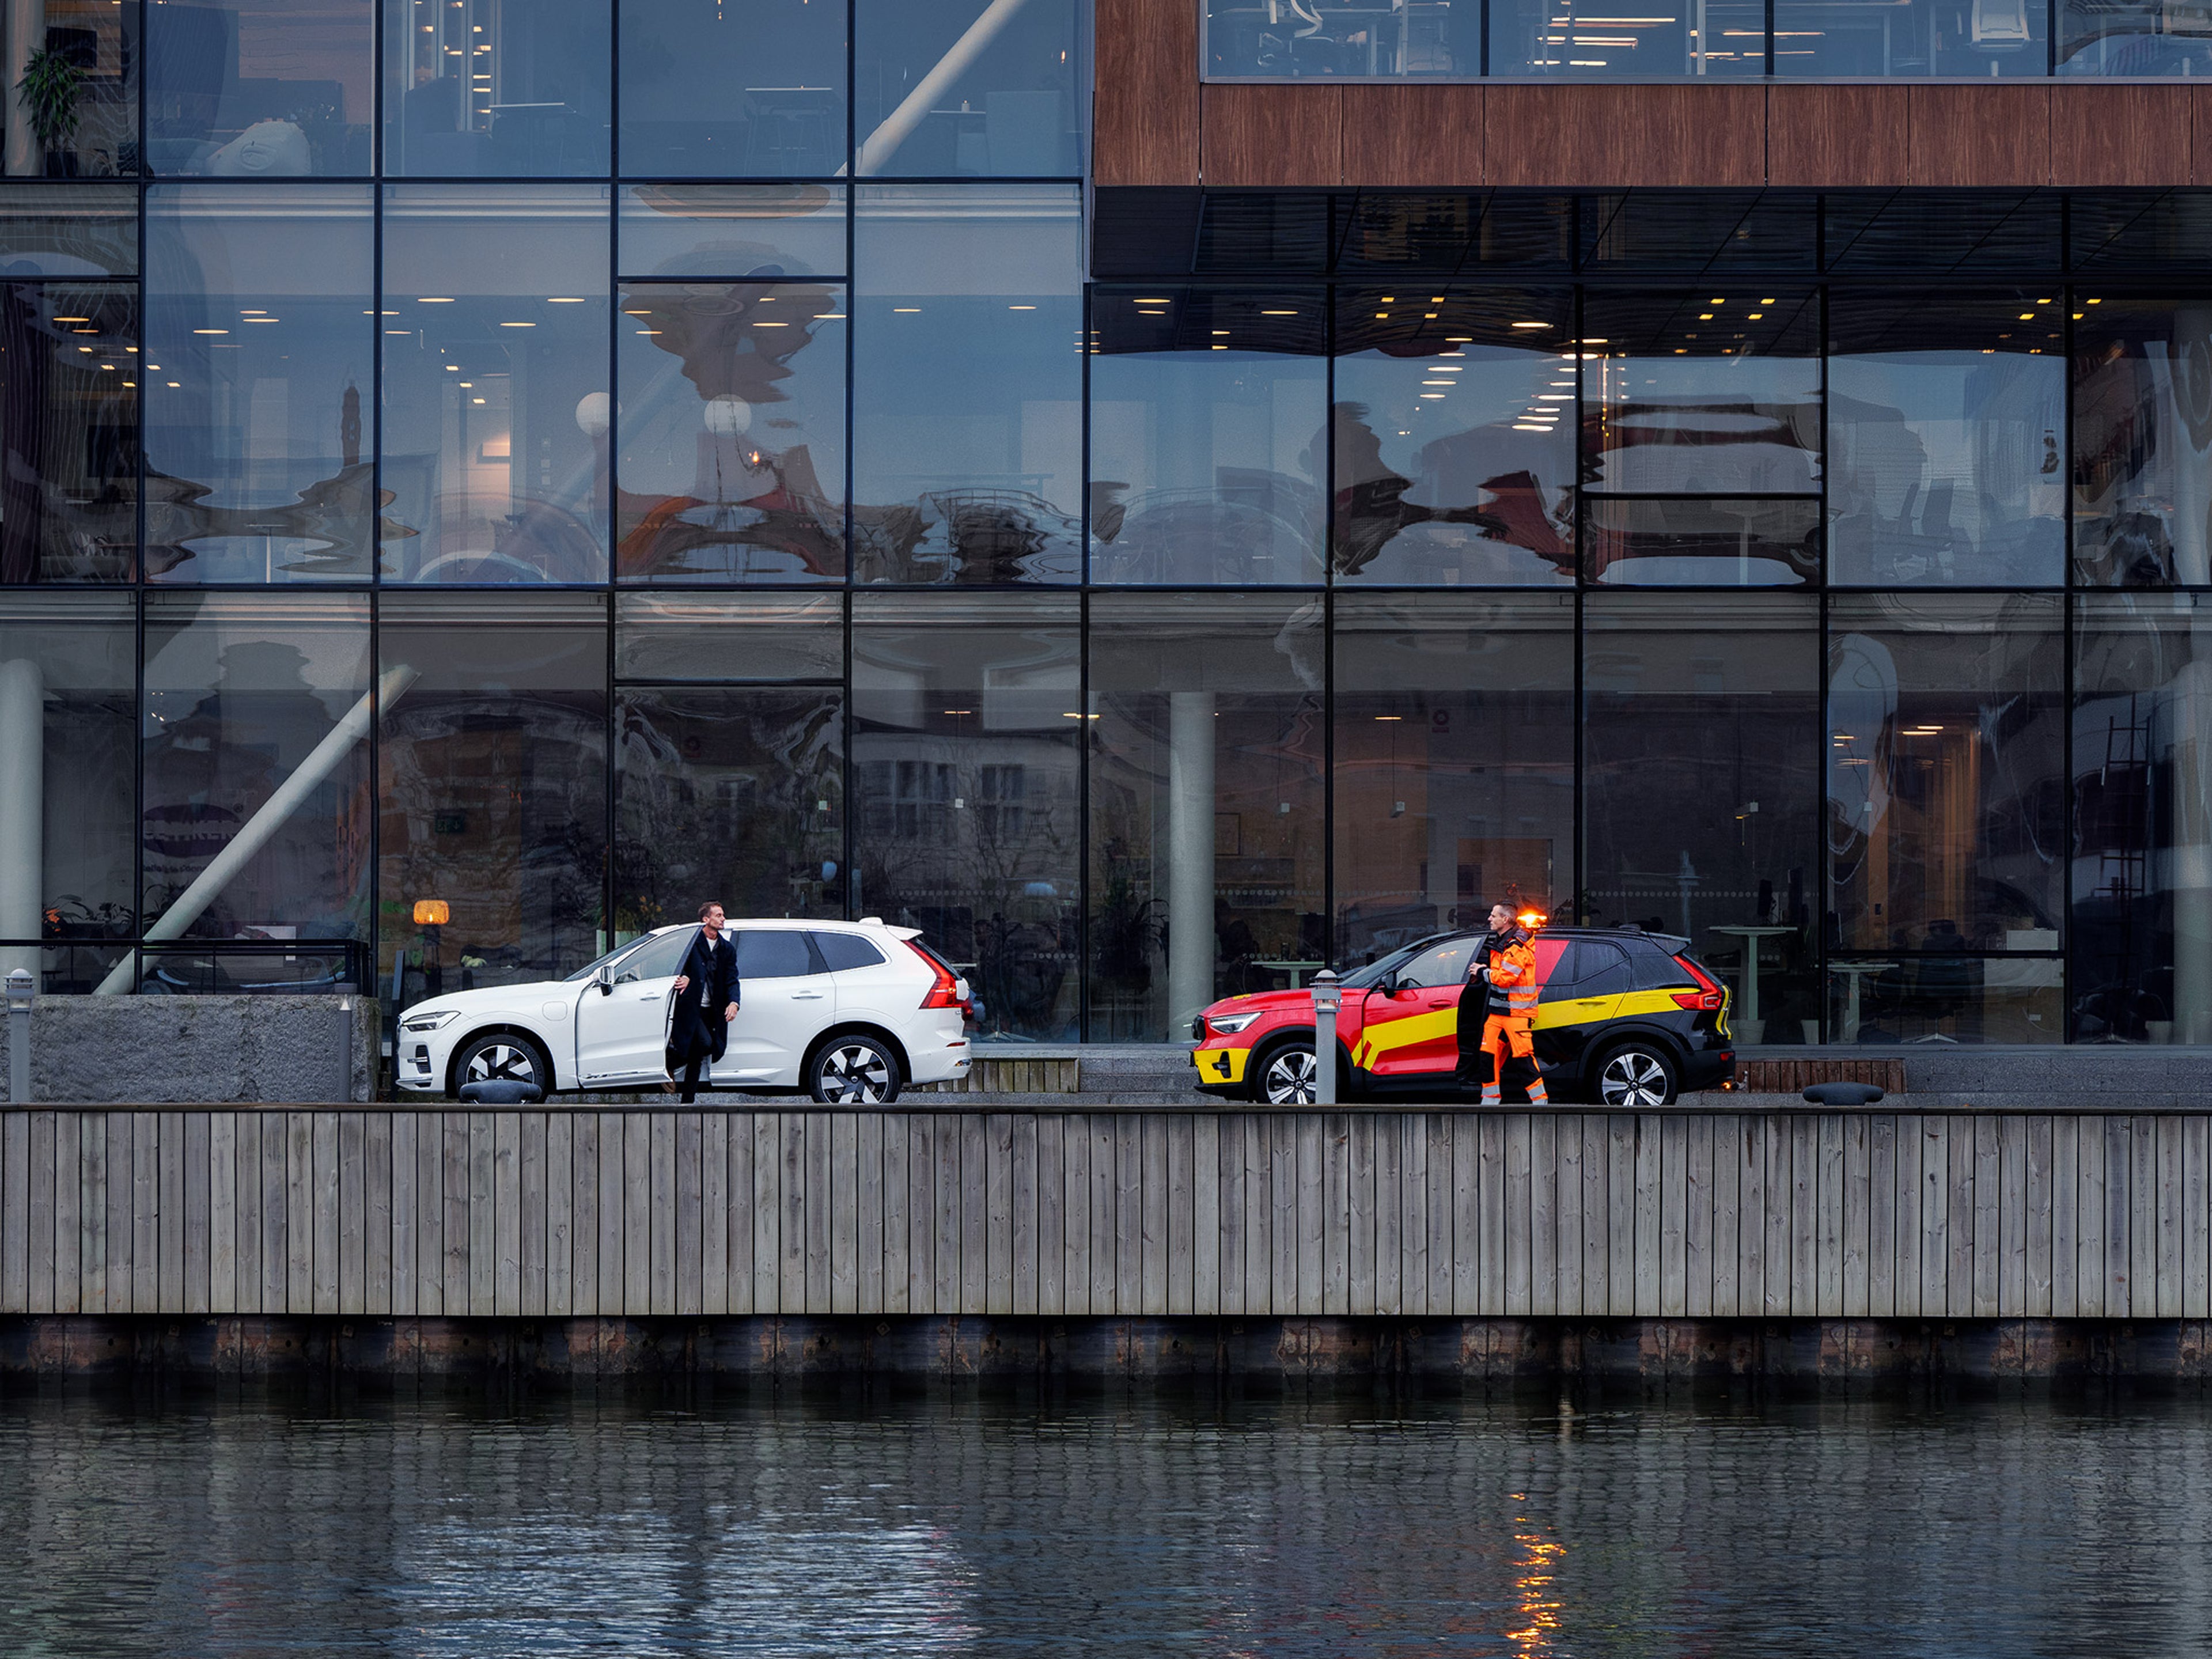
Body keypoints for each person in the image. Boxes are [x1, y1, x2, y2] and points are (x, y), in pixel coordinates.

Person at [1455, 902, 1549, 1106]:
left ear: (1505, 920)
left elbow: (1506, 978)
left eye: (1493, 915)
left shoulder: (1516, 945)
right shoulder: (1503, 941)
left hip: (1517, 1014)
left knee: (1522, 1058)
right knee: (1487, 1055)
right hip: (1499, 1012)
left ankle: (1540, 1102)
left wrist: (1482, 972)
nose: (1489, 919)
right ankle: (1490, 1100)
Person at [665, 902, 740, 1103]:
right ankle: (669, 1061)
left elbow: (732, 979)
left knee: (698, 1055)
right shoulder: (691, 943)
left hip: (712, 1011)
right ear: (706, 920)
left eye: (723, 915)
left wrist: (734, 1002)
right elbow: (675, 966)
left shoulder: (727, 949)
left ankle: (687, 1101)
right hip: (691, 1009)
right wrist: (686, 976)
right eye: (718, 915)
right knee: (704, 1043)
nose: (723, 919)